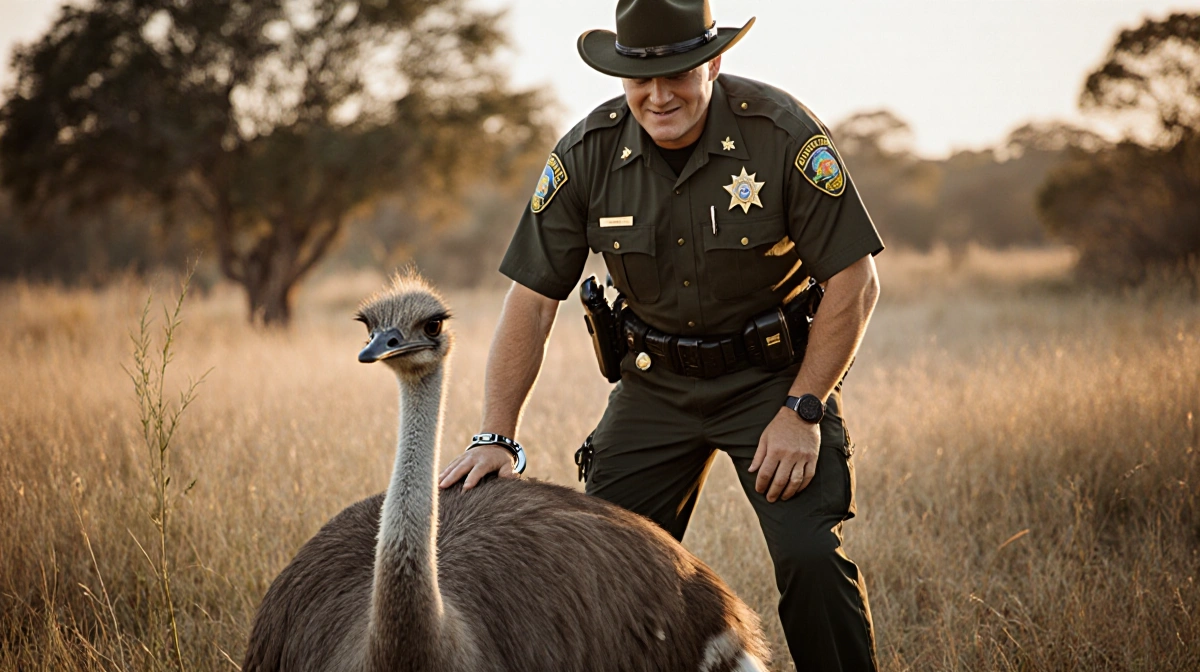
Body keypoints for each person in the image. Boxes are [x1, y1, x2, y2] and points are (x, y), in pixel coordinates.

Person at [438, 1, 883, 669]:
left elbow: (856, 282)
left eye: (677, 73)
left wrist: (804, 409)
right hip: (656, 386)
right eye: (639, 78)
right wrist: (496, 435)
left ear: (714, 62)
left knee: (812, 557)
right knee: (597, 570)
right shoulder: (588, 153)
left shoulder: (782, 134)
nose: (658, 95)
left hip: (773, 382)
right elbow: (530, 301)